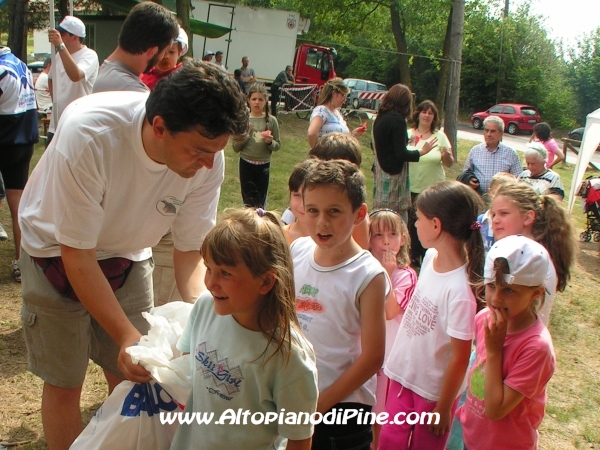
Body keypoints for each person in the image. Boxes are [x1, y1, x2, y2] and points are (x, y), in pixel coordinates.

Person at [18, 63, 248, 450]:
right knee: (64, 381)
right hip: (54, 251)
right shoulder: (91, 135)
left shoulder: (209, 157)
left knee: (136, 374)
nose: (208, 164)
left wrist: (203, 311)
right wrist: (125, 334)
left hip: (127, 255)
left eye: (216, 152)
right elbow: (77, 254)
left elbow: (190, 248)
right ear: (159, 127)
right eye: (199, 151)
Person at [170, 208, 318, 450]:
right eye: (208, 268)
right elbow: (187, 367)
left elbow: (299, 439)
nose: (210, 283)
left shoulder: (290, 358)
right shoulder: (206, 307)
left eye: (225, 273)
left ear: (266, 281)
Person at [291, 158, 388, 450]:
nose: (322, 222)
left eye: (334, 212)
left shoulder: (368, 275)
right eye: (313, 211)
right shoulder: (298, 249)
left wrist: (322, 403)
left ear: (359, 214)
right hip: (295, 397)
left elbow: (372, 357)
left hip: (341, 411)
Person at [380, 181, 484, 450]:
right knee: (389, 442)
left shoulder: (460, 290)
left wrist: (444, 406)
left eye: (418, 219)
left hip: (432, 394)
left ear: (436, 225)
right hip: (403, 376)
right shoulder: (430, 257)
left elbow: (461, 357)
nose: (414, 224)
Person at [458, 235, 556, 450]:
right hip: (473, 438)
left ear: (536, 294)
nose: (495, 299)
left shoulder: (536, 348)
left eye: (509, 290)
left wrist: (495, 352)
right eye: (492, 285)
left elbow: (496, 410)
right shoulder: (484, 318)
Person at [489, 182, 576, 326]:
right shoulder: (512, 253)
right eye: (493, 214)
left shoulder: (533, 261)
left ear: (528, 217)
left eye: (504, 213)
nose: (495, 220)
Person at [368, 209, 417, 450]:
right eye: (378, 235)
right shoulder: (362, 268)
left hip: (390, 358)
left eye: (392, 234)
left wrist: (386, 274)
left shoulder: (405, 275)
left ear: (404, 238)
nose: (386, 241)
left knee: (382, 415)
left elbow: (390, 312)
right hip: (365, 351)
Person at [0, 45, 39, 282]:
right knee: (18, 206)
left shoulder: (2, 69)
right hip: (24, 137)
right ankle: (22, 262)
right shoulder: (18, 63)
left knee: (17, 205)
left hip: (6, 137)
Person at [372, 84, 433, 222]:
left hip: (380, 171)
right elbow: (400, 154)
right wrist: (421, 152)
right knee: (397, 216)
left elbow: (382, 142)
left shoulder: (380, 117)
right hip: (394, 176)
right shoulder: (398, 120)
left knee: (380, 213)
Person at [93, 1, 179, 94]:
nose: (163, 57)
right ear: (152, 52)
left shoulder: (105, 71)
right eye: (165, 52)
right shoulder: (135, 93)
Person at [407, 100, 452, 267]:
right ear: (417, 113)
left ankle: (430, 257)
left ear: (434, 117)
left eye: (430, 113)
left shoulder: (440, 136)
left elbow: (449, 163)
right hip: (411, 187)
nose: (426, 116)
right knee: (412, 225)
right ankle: (412, 258)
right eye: (424, 112)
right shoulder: (408, 134)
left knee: (431, 224)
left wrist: (447, 155)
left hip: (432, 190)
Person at [47, 15, 98, 143]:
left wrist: (61, 46)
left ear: (75, 37)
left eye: (62, 34)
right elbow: (51, 78)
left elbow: (76, 75)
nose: (58, 37)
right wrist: (56, 103)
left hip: (78, 124)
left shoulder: (90, 55)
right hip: (56, 124)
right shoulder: (59, 55)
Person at [232, 83, 281, 208]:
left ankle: (260, 224)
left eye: (260, 99)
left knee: (260, 201)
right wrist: (246, 134)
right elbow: (235, 147)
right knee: (248, 201)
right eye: (254, 99)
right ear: (248, 100)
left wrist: (270, 142)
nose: (257, 102)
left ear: (266, 101)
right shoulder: (243, 119)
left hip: (263, 164)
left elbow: (278, 145)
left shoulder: (271, 121)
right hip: (246, 164)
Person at [463, 115, 522, 193]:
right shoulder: (475, 151)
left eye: (493, 131)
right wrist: (469, 180)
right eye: (486, 130)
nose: (488, 134)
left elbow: (518, 179)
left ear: (501, 133)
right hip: (478, 197)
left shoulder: (511, 153)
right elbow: (465, 173)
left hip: (501, 198)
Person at [307, 78, 365, 148]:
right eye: (343, 95)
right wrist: (317, 152)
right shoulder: (321, 111)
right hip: (325, 157)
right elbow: (312, 133)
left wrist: (353, 133)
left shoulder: (337, 113)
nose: (345, 99)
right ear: (334, 93)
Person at [140, 26, 188, 90]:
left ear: (179, 54)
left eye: (171, 52)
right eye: (161, 51)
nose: (166, 56)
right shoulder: (144, 73)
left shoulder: (180, 76)